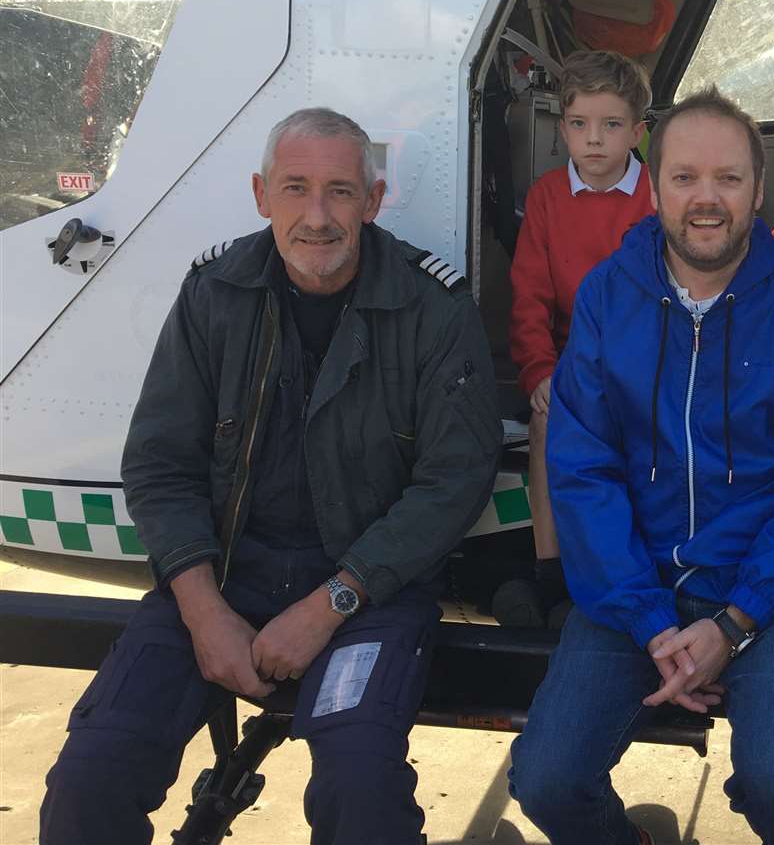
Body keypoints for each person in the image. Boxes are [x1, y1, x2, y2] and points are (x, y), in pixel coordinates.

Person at [40, 108, 502, 845]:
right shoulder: (215, 292)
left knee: (361, 792)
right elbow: (160, 465)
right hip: (220, 576)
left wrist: (331, 603)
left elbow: (455, 480)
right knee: (90, 778)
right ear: (262, 195)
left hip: (366, 593)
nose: (317, 217)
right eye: (296, 188)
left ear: (373, 201)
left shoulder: (433, 308)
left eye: (341, 192)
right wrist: (203, 612)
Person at [508, 87, 774, 845]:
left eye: (729, 179)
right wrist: (648, 621)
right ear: (653, 185)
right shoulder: (609, 298)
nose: (706, 199)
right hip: (636, 589)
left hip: (773, 597)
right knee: (545, 780)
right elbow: (582, 471)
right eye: (684, 178)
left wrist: (732, 624)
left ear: (759, 188)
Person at [506, 49, 655, 626]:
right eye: (578, 124)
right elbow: (529, 298)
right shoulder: (546, 198)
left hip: (643, 360)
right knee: (547, 420)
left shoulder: (656, 197)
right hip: (570, 361)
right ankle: (551, 571)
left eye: (611, 125)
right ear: (561, 125)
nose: (594, 140)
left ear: (637, 131)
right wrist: (538, 372)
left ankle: (628, 566)